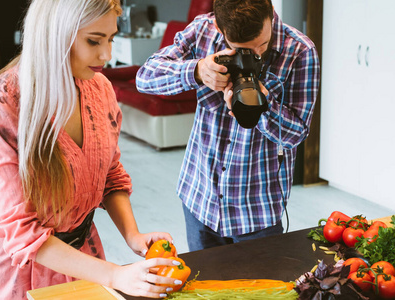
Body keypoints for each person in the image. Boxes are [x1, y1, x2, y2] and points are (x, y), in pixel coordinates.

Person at [0, 0, 183, 299]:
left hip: (87, 262)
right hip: (25, 272)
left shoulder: (99, 88)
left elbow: (110, 174)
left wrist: (133, 236)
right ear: (54, 35)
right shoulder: (5, 107)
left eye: (110, 39)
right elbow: (23, 233)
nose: (106, 55)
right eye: (93, 41)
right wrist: (115, 274)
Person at [136, 0, 320, 251]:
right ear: (219, 28)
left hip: (257, 211)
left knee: (257, 290)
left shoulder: (300, 50)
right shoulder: (203, 30)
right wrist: (197, 70)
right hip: (199, 198)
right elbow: (145, 77)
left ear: (271, 13)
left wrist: (262, 106)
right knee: (205, 289)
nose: (255, 55)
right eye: (242, 49)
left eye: (263, 45)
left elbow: (296, 134)